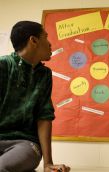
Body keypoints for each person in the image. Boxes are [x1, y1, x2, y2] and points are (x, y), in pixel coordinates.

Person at [0, 21, 70, 172]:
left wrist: (48, 164)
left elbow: (44, 117)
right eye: (46, 37)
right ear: (34, 41)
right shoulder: (3, 65)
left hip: (25, 144)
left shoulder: (45, 74)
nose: (50, 44)